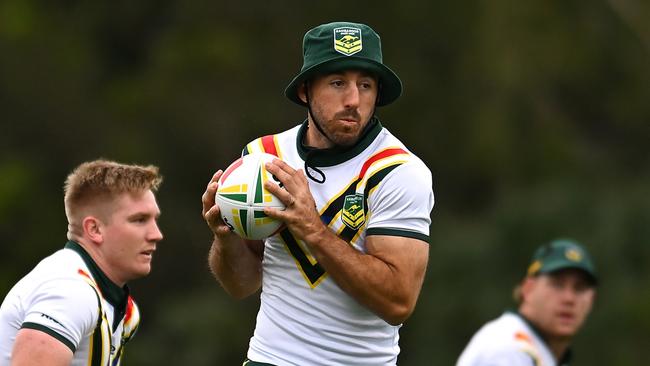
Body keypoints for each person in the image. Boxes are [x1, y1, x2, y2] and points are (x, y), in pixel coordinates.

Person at [202, 21, 434, 365]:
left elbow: (398, 303)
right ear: (305, 91)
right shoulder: (263, 157)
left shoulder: (399, 172)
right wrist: (226, 238)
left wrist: (312, 229)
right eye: (338, 83)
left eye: (366, 85)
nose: (353, 100)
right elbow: (242, 285)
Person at [0, 160, 163, 365]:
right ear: (94, 229)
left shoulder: (115, 304)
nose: (156, 234)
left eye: (155, 220)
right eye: (139, 220)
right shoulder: (70, 292)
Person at [456, 238, 598, 366]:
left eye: (579, 288)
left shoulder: (536, 352)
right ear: (528, 289)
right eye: (557, 284)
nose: (569, 299)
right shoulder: (508, 348)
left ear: (592, 299)